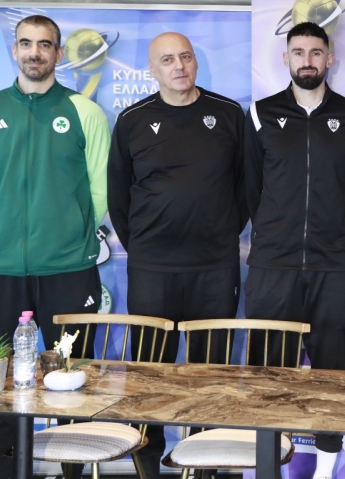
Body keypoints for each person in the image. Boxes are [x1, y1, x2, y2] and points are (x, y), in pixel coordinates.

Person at [0, 15, 110, 479]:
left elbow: (99, 189)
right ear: (14, 50)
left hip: (69, 270)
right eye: (26, 43)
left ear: (58, 53)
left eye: (45, 45)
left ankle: (73, 471)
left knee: (72, 379)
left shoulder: (84, 112)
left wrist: (67, 232)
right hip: (0, 269)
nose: (34, 52)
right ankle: (9, 472)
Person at [107, 32, 247, 478]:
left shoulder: (229, 114)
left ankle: (205, 466)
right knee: (150, 374)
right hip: (153, 269)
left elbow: (247, 186)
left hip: (214, 267)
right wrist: (145, 246)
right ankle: (148, 465)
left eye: (185, 57)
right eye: (167, 59)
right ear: (152, 69)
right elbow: (118, 196)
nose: (179, 66)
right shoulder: (132, 120)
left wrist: (221, 232)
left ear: (196, 63)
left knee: (211, 374)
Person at [243, 21, 345, 478]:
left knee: (332, 369)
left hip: (333, 265)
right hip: (272, 265)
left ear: (329, 58)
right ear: (286, 59)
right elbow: (250, 187)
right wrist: (275, 231)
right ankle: (269, 466)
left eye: (316, 53)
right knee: (268, 368)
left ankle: (324, 469)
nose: (308, 61)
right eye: (298, 52)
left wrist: (337, 232)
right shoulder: (260, 114)